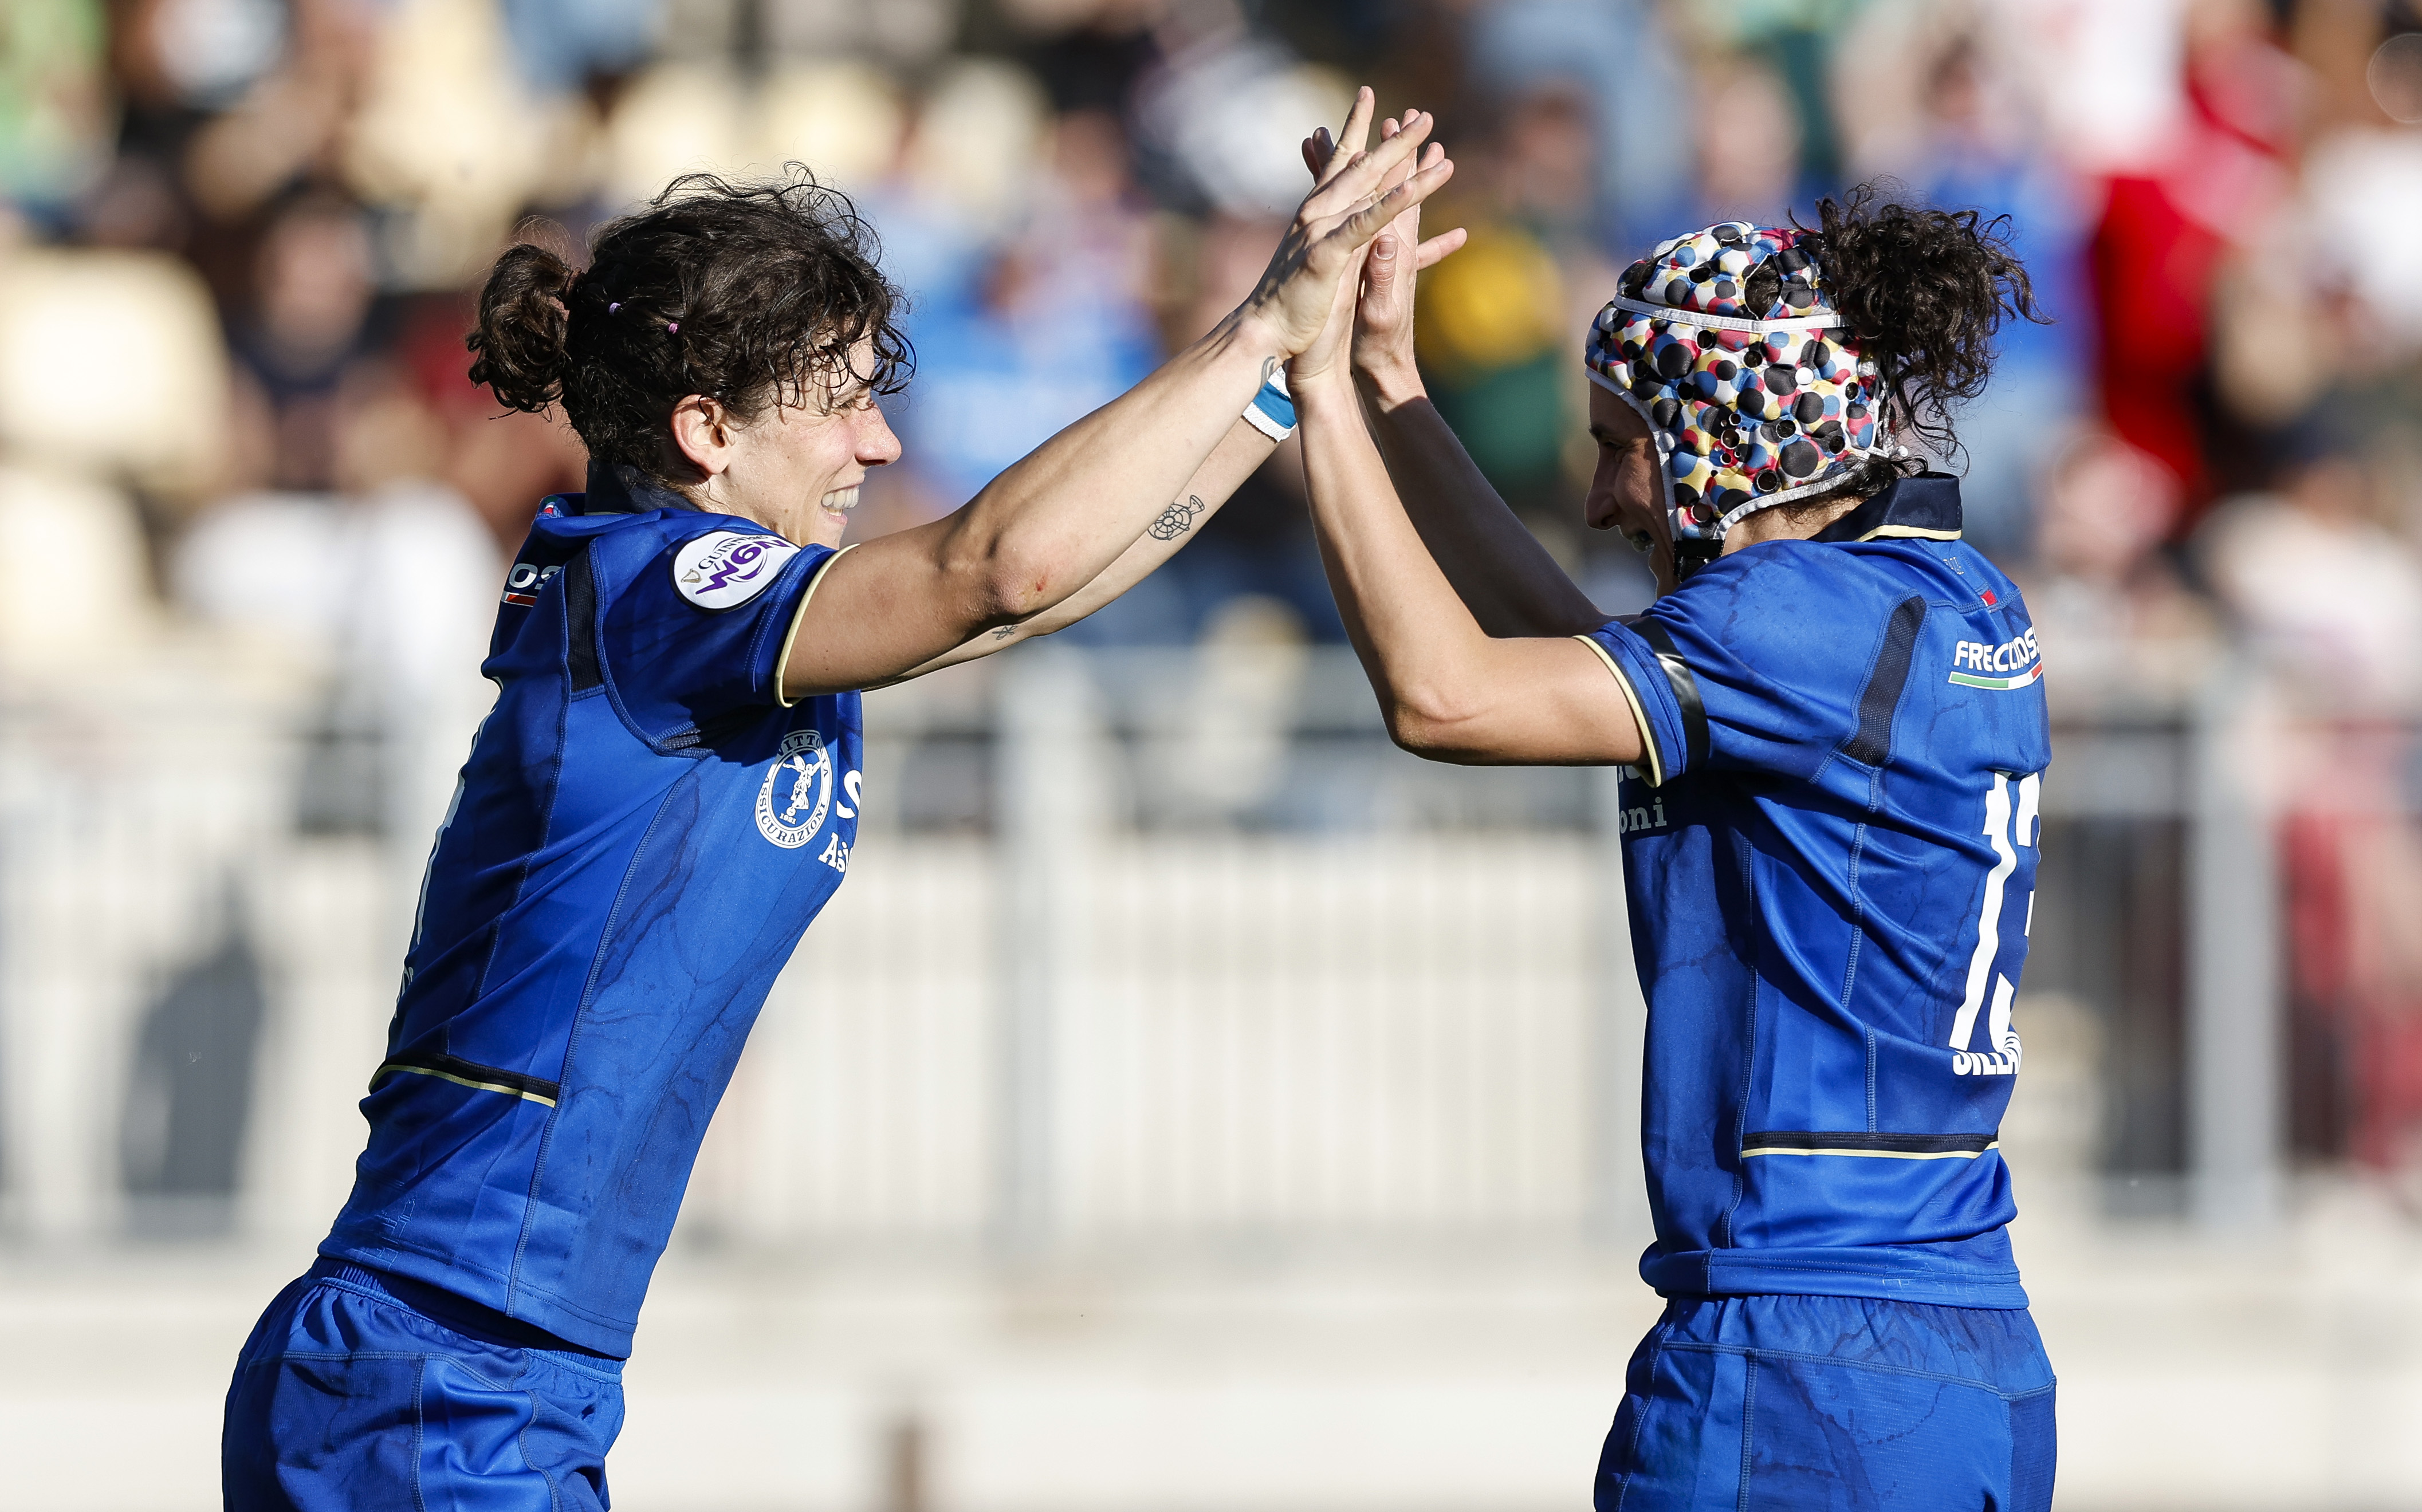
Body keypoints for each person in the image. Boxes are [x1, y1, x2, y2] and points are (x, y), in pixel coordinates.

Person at [222, 97, 1451, 1511]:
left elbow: (1045, 591)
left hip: (490, 1374)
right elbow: (1004, 568)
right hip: (439, 1377)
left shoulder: (742, 624)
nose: (877, 445)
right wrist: (1247, 323)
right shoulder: (659, 588)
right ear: (706, 433)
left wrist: (1292, 370)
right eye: (842, 403)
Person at [1292, 108, 2055, 1509]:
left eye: (1618, 445)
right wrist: (1388, 378)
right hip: (1966, 1347)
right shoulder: (1948, 596)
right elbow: (1573, 652)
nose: (1594, 497)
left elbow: (1446, 699)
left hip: (1796, 1361)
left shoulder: (1789, 623)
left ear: (1722, 436)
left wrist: (1310, 393)